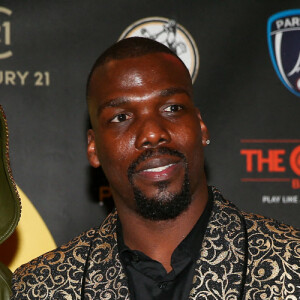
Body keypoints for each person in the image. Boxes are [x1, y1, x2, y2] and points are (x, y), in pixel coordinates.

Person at [12, 37, 300, 299]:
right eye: (121, 116)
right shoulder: (41, 288)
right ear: (93, 148)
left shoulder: (291, 264)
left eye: (172, 108)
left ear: (200, 127)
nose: (151, 133)